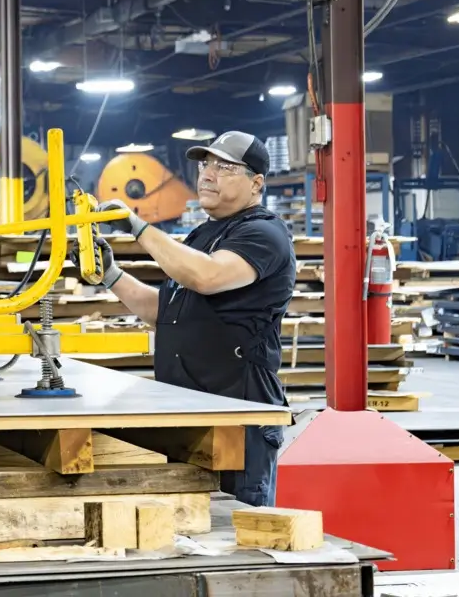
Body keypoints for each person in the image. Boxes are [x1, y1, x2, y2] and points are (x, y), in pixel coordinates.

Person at [72, 130, 295, 507]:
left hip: (237, 419)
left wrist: (138, 227)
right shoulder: (203, 235)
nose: (207, 174)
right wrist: (109, 274)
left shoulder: (264, 234)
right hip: (190, 411)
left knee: (237, 530)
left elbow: (206, 277)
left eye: (224, 167)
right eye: (205, 164)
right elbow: (165, 312)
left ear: (256, 183)